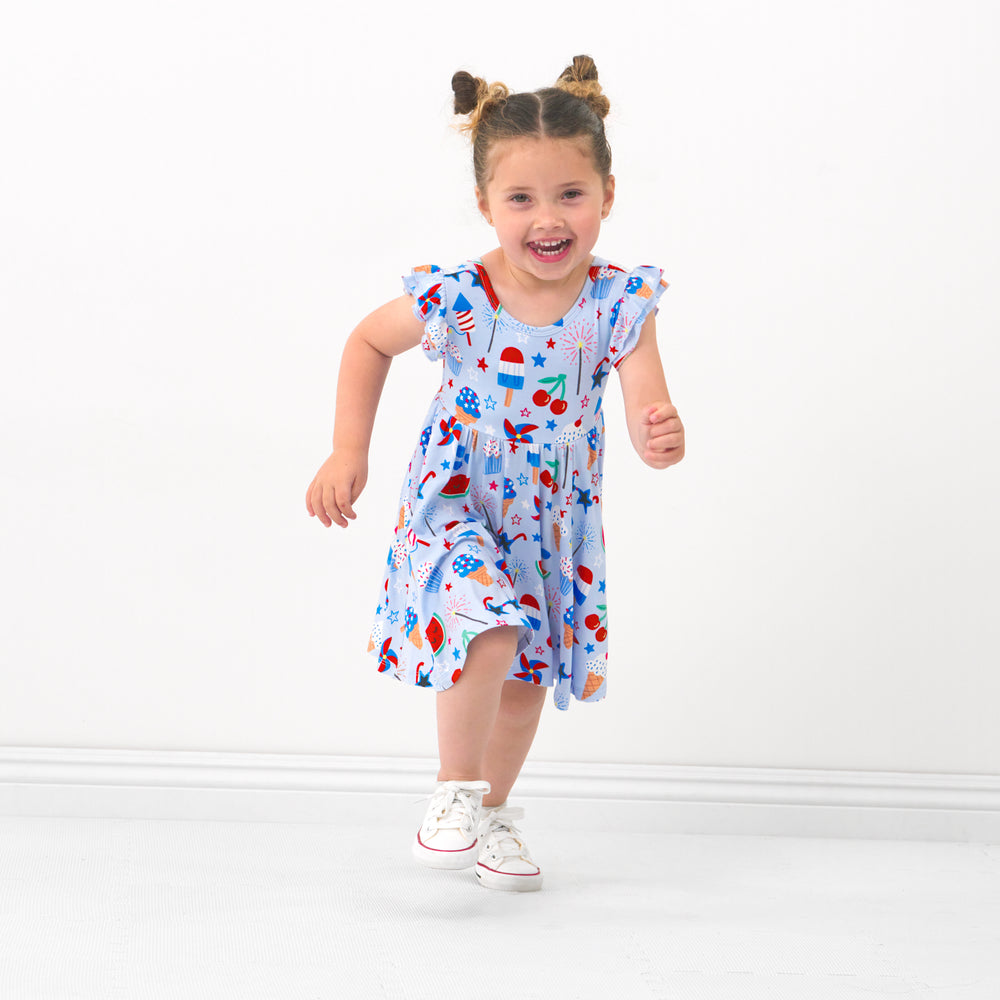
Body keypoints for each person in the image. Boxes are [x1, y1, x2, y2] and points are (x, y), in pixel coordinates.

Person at [305, 56, 685, 892]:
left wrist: (660, 434)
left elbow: (647, 407)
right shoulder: (462, 295)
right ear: (487, 206)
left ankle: (493, 818)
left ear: (607, 197)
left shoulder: (621, 303)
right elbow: (368, 341)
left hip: (551, 519)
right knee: (489, 627)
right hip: (458, 497)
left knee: (525, 684)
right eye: (521, 199)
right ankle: (453, 791)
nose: (547, 219)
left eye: (570, 196)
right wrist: (348, 450)